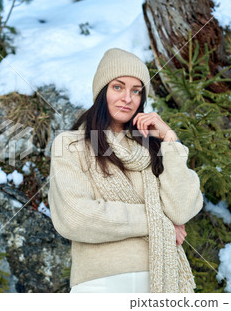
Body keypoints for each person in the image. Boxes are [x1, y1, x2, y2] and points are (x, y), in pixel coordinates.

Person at [48, 48, 203, 293]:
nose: (127, 98)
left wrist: (169, 140)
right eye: (118, 87)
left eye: (136, 91)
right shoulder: (70, 145)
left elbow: (181, 210)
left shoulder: (153, 147)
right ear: (102, 92)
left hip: (161, 280)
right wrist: (159, 222)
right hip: (99, 284)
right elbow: (76, 218)